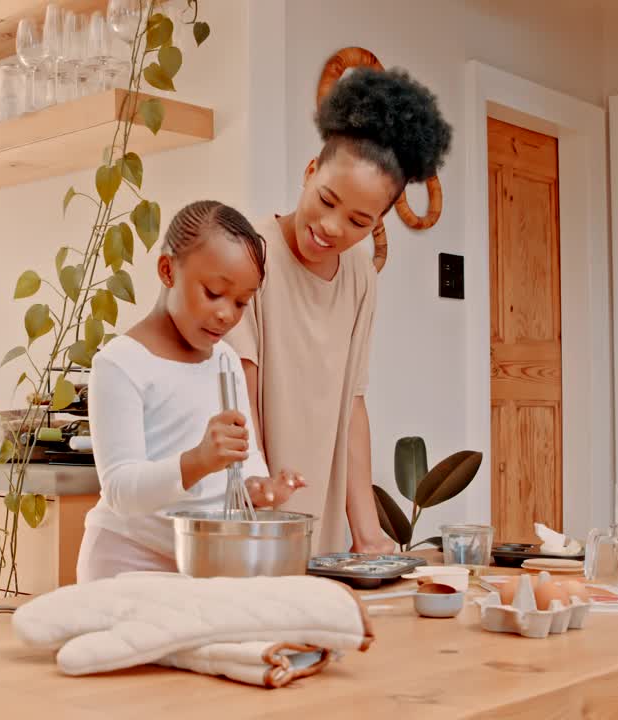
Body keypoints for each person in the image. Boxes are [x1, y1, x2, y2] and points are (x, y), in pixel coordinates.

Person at [228, 67, 453, 555]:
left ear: (379, 220)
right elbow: (239, 395)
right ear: (310, 172)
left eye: (357, 220)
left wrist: (367, 533)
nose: (331, 228)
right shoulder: (247, 253)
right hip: (252, 519)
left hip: (319, 527)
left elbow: (352, 406)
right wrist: (265, 511)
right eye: (326, 200)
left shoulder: (359, 276)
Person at [76, 200, 305, 583]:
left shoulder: (226, 362)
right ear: (167, 270)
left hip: (201, 566)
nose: (227, 314)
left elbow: (239, 472)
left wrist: (263, 491)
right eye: (214, 292)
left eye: (241, 302)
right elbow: (121, 491)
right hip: (126, 562)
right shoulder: (120, 363)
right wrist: (198, 459)